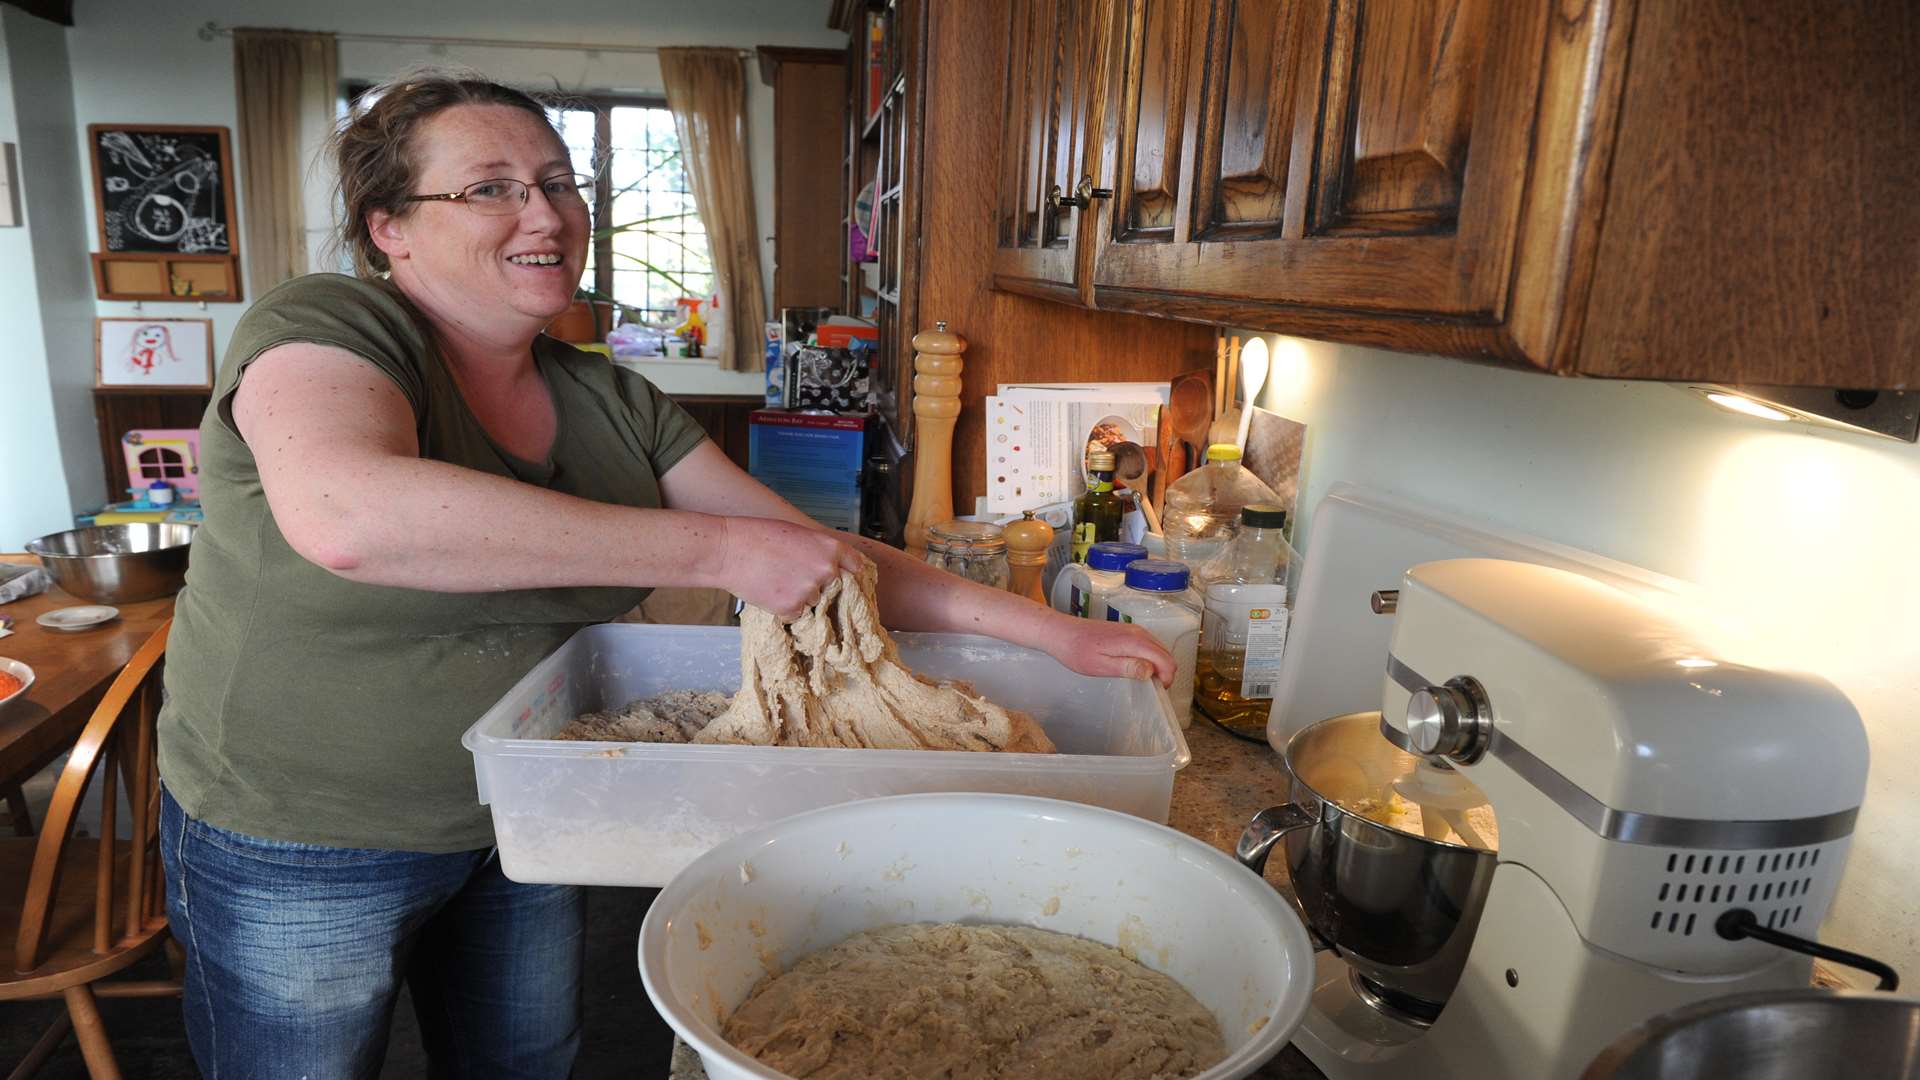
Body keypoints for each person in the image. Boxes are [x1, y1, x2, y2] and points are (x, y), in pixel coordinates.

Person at [155, 73, 1174, 1078]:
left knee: (523, 1063)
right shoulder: (328, 325)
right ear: (390, 228)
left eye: (558, 182)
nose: (544, 211)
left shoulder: (609, 399)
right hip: (298, 834)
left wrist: (1051, 635)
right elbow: (347, 516)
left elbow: (827, 564)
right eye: (491, 187)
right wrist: (714, 551)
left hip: (531, 819)